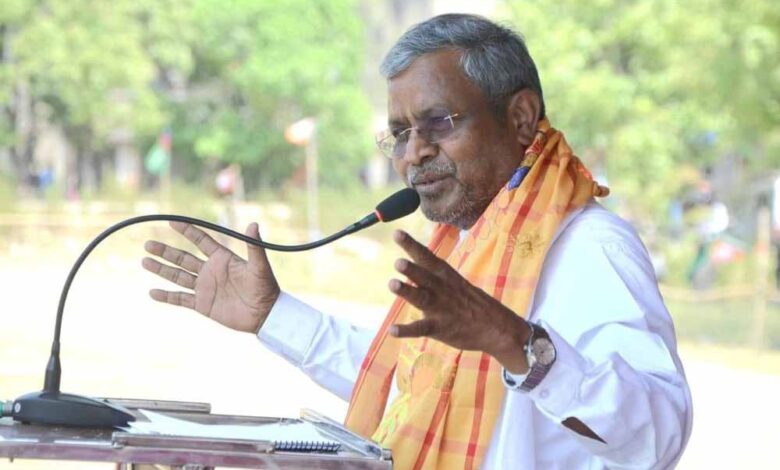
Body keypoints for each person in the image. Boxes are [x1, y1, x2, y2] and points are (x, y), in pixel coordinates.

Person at [141, 14, 691, 469]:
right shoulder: (468, 241)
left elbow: (659, 436)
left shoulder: (590, 246)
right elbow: (413, 379)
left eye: (439, 122)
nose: (413, 153)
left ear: (521, 118)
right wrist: (273, 314)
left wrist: (516, 343)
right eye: (401, 133)